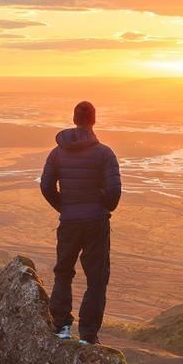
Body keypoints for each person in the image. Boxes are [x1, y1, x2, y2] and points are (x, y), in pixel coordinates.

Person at [40, 100, 121, 345]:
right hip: (96, 222)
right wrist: (104, 207)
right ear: (93, 120)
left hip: (70, 221)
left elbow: (46, 186)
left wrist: (64, 207)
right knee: (96, 279)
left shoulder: (57, 153)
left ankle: (62, 327)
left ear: (74, 119)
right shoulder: (104, 153)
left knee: (63, 272)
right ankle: (87, 336)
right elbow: (114, 191)